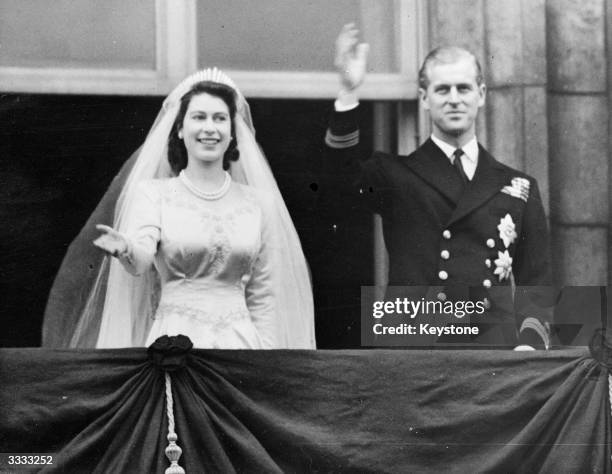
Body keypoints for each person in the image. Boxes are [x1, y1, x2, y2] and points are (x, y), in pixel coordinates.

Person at [43, 68, 316, 349]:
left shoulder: (260, 203)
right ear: (181, 129)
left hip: (242, 348)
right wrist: (125, 248)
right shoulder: (154, 194)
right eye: (199, 117)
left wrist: (266, 362)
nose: (209, 128)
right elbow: (141, 259)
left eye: (220, 118)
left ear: (232, 133)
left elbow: (265, 291)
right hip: (176, 346)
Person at [325, 24, 552, 349]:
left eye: (464, 88)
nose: (455, 100)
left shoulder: (518, 186)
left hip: (492, 351)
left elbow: (537, 279)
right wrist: (348, 92)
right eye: (443, 90)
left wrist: (529, 343)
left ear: (481, 94)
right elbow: (337, 181)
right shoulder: (396, 174)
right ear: (424, 98)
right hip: (413, 344)